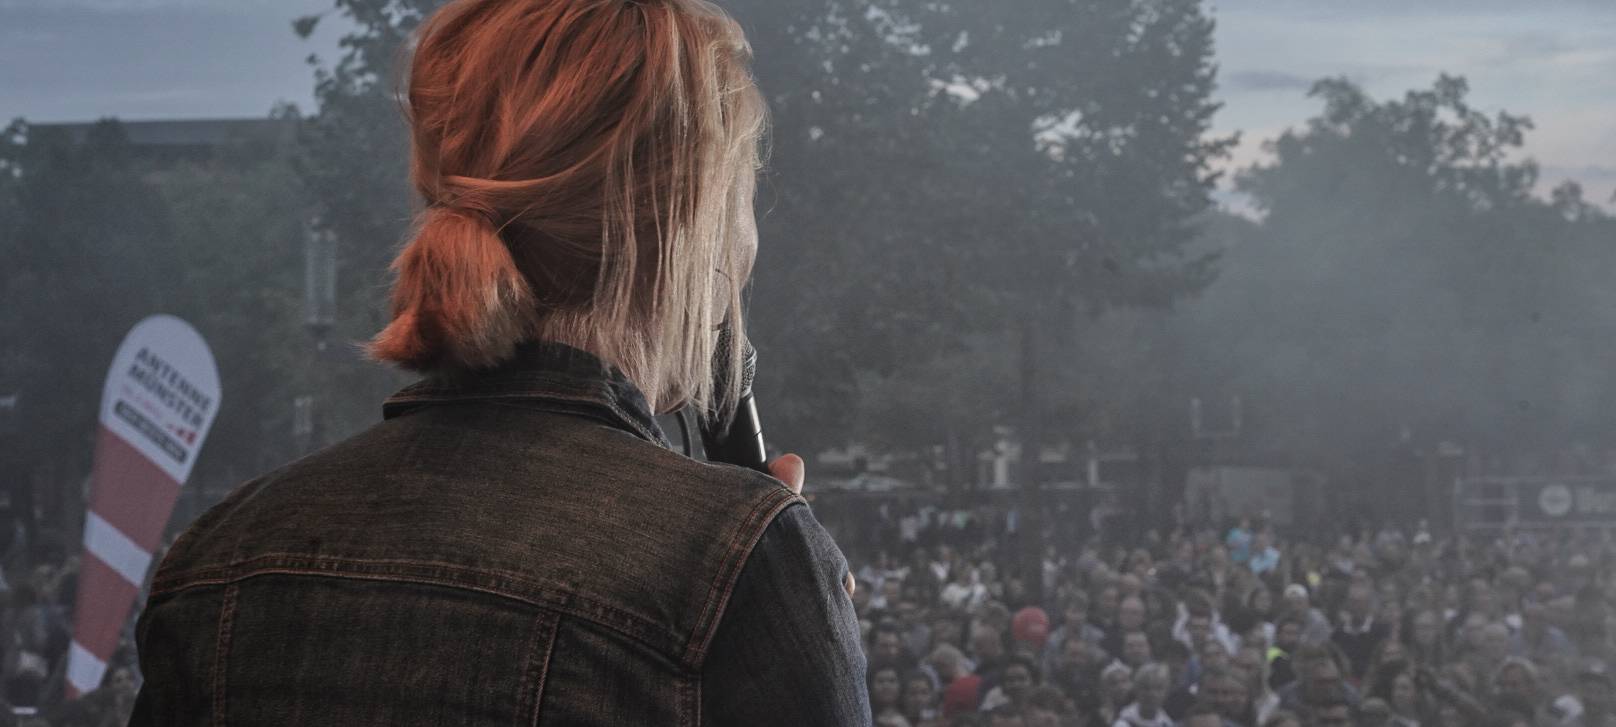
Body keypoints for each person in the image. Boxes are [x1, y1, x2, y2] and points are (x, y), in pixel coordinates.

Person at [125, 1, 869, 725]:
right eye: (745, 196)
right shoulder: (733, 560)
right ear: (682, 223)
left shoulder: (220, 553)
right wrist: (782, 586)